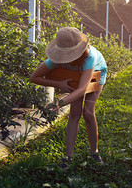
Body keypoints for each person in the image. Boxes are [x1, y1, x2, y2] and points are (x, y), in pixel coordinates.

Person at [30, 27, 107, 170]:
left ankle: (94, 152)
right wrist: (58, 84)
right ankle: (68, 156)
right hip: (77, 77)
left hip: (97, 72)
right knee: (75, 112)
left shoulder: (90, 57)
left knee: (88, 112)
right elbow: (34, 77)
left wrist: (60, 102)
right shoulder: (56, 59)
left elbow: (82, 89)